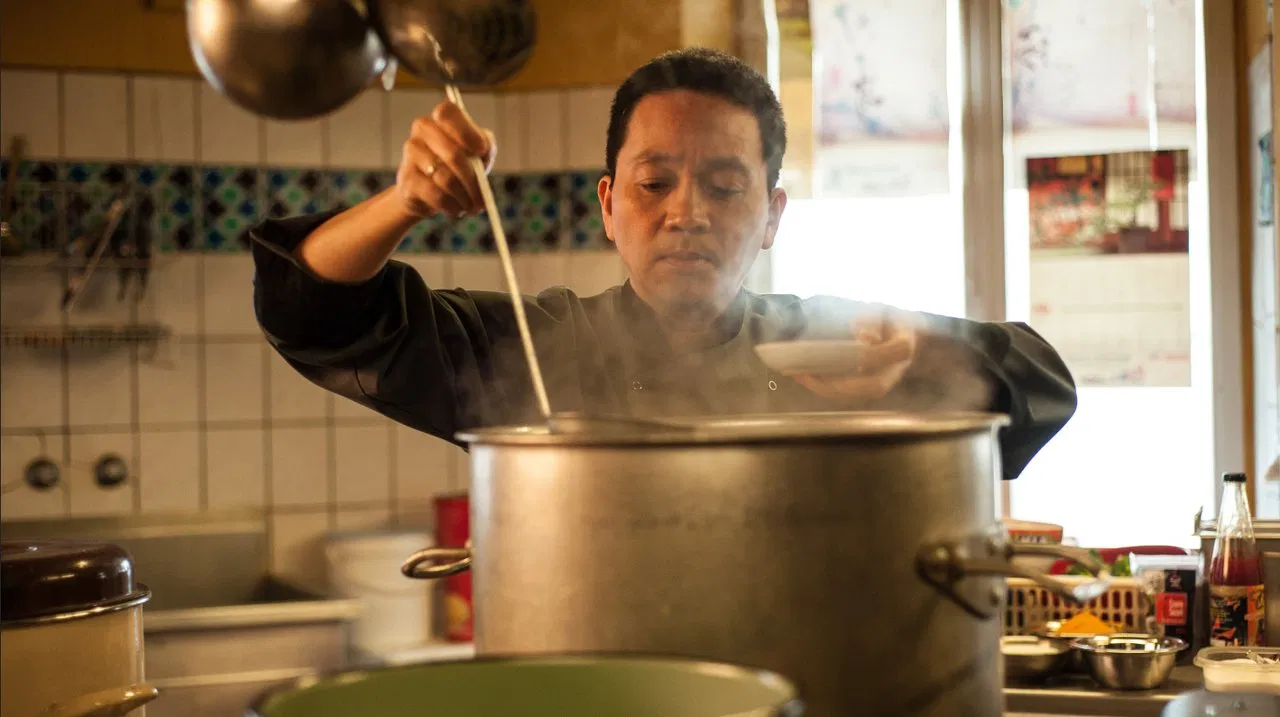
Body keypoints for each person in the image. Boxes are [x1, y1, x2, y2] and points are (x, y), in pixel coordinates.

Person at [250, 47, 1077, 481]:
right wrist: (406, 202)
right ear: (610, 205)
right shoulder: (534, 352)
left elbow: (1044, 381)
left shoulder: (827, 346)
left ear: (772, 218)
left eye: (725, 185)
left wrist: (921, 357)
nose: (687, 211)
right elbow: (313, 311)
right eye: (655, 182)